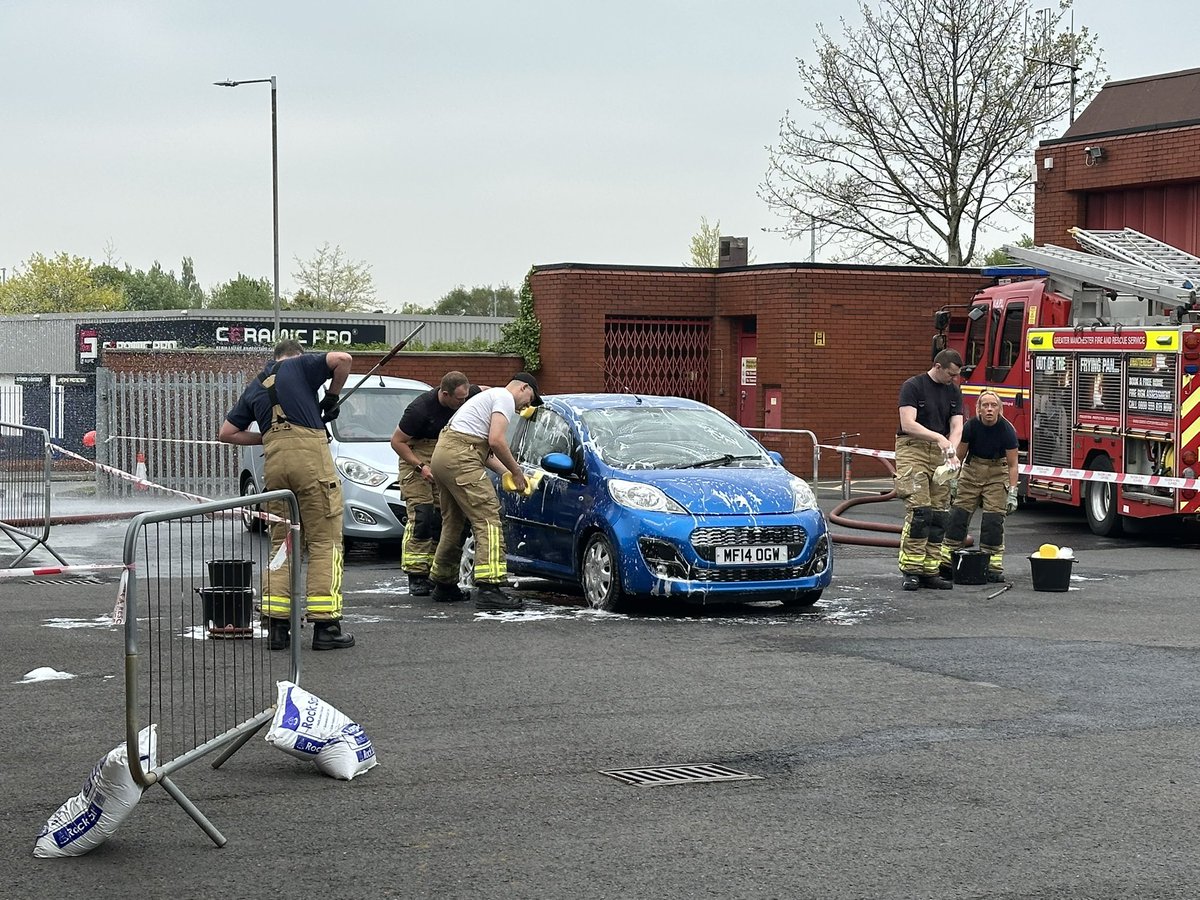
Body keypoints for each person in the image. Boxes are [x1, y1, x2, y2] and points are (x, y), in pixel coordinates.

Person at [218, 340, 355, 651]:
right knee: (323, 541)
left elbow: (226, 433)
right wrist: (331, 398)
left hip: (276, 466)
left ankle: (277, 629)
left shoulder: (256, 384)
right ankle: (326, 626)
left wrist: (265, 435)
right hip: (310, 462)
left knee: (283, 543)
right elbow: (343, 359)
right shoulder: (300, 365)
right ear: (299, 355)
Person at [428, 373, 541, 611]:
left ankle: (443, 583)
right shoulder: (504, 397)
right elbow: (497, 441)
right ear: (524, 387)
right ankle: (490, 587)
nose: (526, 406)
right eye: (530, 399)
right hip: (461, 457)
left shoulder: (489, 397)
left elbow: (484, 449)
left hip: (444, 455)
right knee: (488, 518)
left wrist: (506, 474)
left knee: (454, 523)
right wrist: (517, 471)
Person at [389, 371, 476, 597]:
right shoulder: (419, 410)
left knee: (441, 518)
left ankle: (435, 574)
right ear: (444, 394)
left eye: (465, 397)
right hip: (415, 456)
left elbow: (486, 393)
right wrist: (421, 467)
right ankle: (416, 575)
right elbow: (397, 442)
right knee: (422, 515)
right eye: (458, 399)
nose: (463, 403)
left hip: (443, 454)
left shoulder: (464, 397)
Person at [895, 348, 964, 591]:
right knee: (920, 510)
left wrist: (951, 450)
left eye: (956, 375)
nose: (953, 379)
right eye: (950, 374)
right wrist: (938, 438)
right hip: (913, 447)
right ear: (938, 366)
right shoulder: (913, 386)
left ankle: (929, 569)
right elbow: (908, 423)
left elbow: (956, 426)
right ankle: (911, 569)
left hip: (939, 450)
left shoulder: (953, 391)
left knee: (939, 513)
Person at [940, 389, 1020, 583]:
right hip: (972, 470)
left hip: (997, 472)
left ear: (1000, 409)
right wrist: (953, 480)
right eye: (985, 405)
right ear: (978, 409)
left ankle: (992, 566)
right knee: (958, 516)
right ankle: (946, 563)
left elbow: (1012, 464)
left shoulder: (1007, 430)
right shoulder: (971, 427)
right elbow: (959, 456)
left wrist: (1012, 491)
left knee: (993, 521)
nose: (989, 409)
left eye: (993, 405)